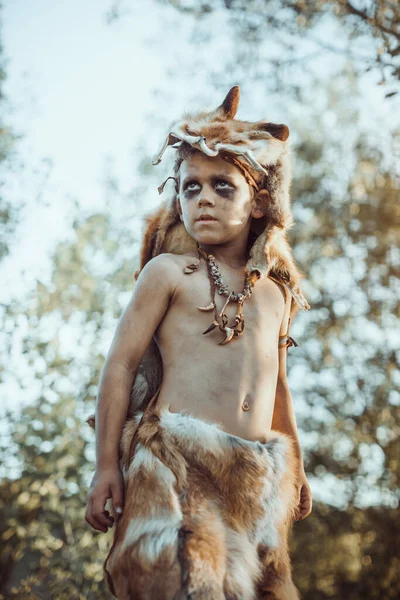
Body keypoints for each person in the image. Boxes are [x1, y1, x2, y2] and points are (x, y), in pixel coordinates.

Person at [85, 86, 312, 600]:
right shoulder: (167, 274)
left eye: (222, 187)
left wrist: (295, 470)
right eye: (189, 188)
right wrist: (105, 467)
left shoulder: (275, 293)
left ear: (259, 203)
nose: (202, 198)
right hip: (176, 466)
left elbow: (278, 390)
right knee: (181, 583)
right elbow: (119, 366)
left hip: (256, 477)